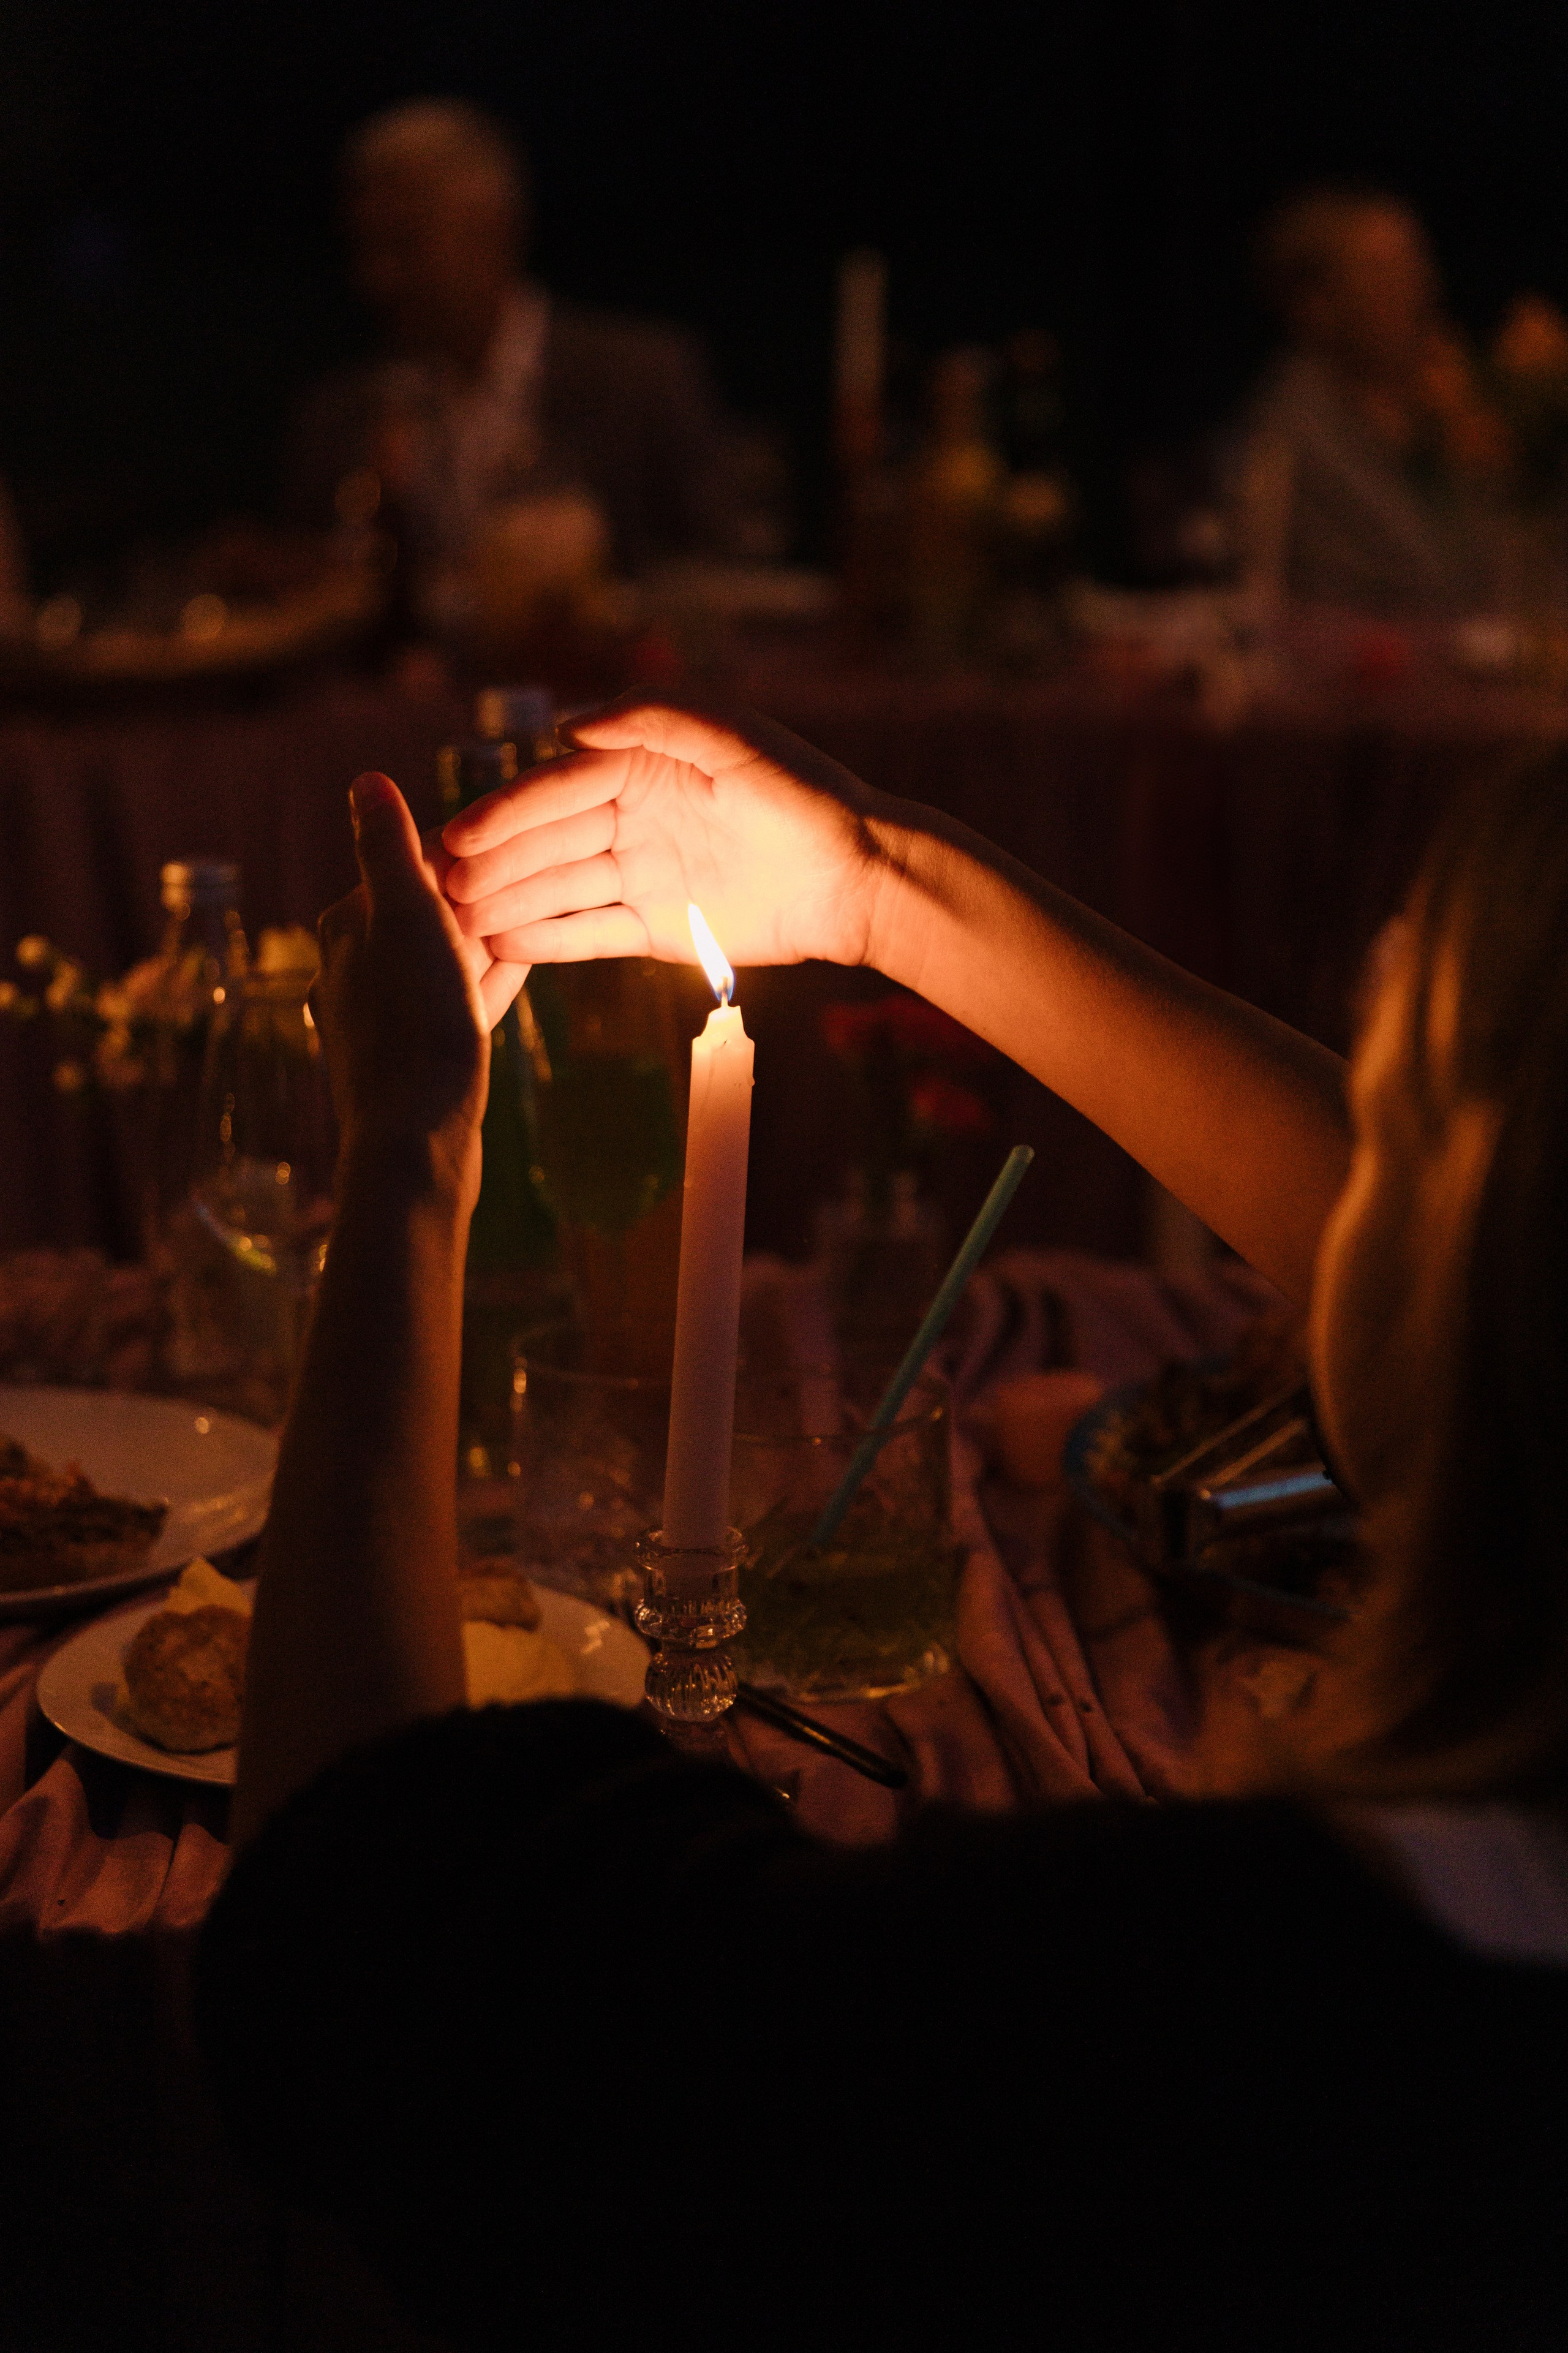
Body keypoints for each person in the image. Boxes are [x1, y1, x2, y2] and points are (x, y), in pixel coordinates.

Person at [196, 707, 1568, 2351]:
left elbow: (354, 1941)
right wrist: (878, 883)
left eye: (1393, 1106)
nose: (1336, 1188)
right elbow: (1442, 1295)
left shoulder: (1218, 2018)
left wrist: (410, 1151)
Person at [285, 100, 739, 597]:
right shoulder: (343, 413)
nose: (377, 279)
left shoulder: (639, 381)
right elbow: (313, 600)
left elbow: (718, 579)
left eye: (406, 244)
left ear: (496, 229)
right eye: (365, 247)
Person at [1235, 187, 1511, 614]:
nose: (1417, 289)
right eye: (1382, 272)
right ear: (1317, 304)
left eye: (1415, 264)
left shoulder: (1456, 402)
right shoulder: (1291, 433)